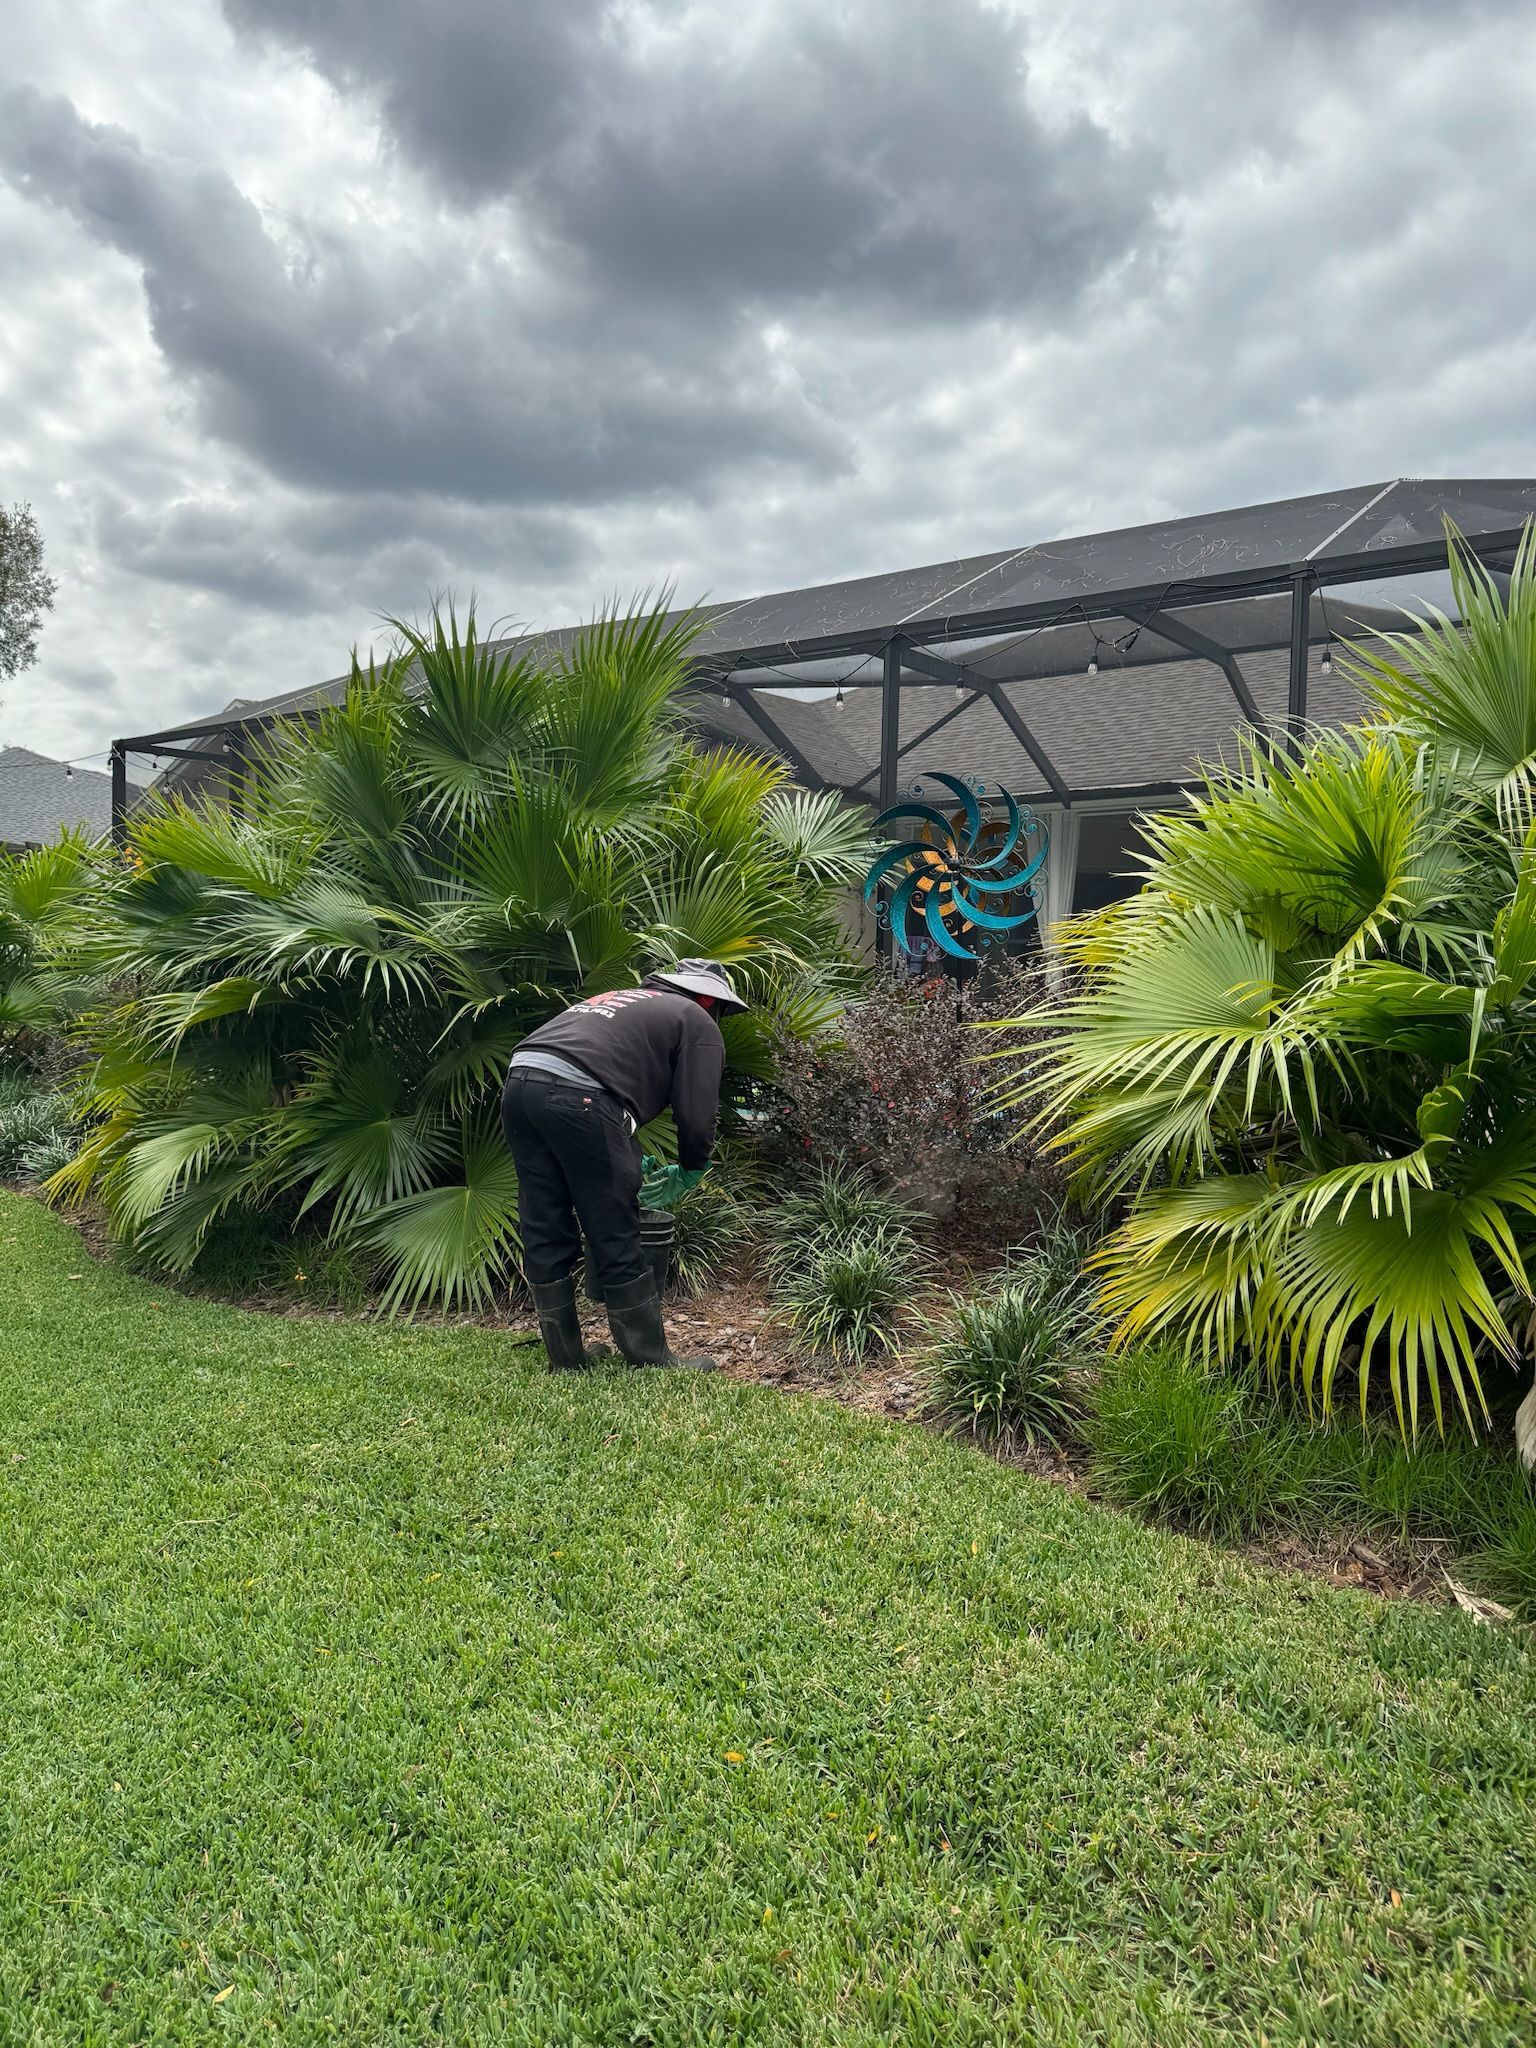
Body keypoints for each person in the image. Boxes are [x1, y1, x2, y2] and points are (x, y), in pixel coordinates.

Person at [501, 959, 747, 1373]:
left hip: (520, 1085)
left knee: (542, 1217)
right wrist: (692, 1165)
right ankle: (650, 1357)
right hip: (580, 1100)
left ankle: (566, 1357)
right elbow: (696, 1110)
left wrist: (624, 1145)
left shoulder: (615, 1001)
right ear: (709, 998)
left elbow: (592, 1068)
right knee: (614, 1222)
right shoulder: (696, 1019)